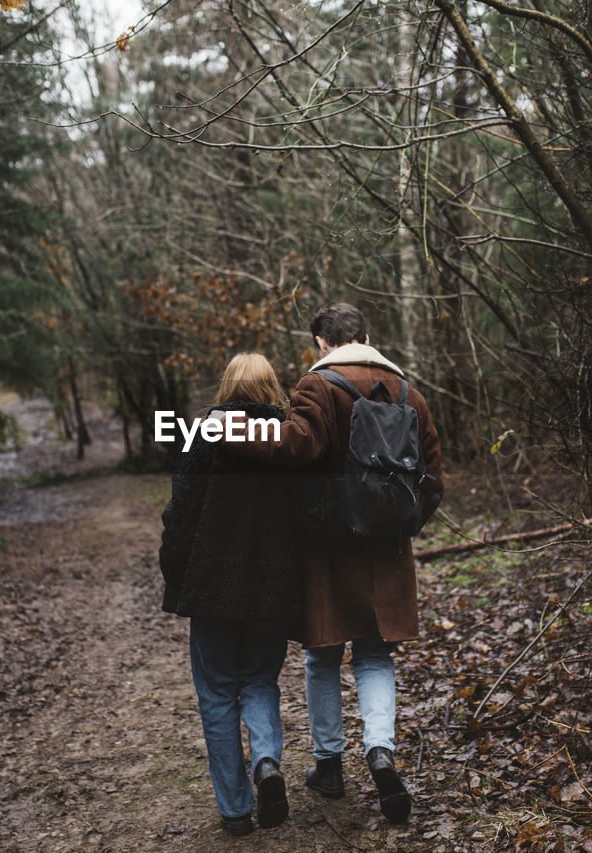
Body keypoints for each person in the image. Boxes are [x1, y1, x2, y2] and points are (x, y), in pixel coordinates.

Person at [233, 303, 444, 824]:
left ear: (322, 344)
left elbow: (293, 446)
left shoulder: (318, 386)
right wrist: (403, 522)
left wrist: (230, 430)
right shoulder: (406, 390)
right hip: (386, 548)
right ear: (367, 337)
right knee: (374, 654)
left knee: (323, 655)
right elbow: (433, 476)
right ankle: (380, 752)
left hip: (328, 545)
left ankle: (329, 765)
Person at [158, 353, 304, 837]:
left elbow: (180, 514)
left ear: (226, 388)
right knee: (259, 681)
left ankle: (235, 810)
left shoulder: (202, 436)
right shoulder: (288, 438)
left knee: (218, 692)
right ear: (272, 389)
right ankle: (266, 761)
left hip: (213, 587)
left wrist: (176, 573)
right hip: (272, 585)